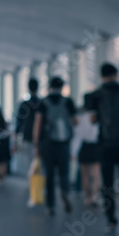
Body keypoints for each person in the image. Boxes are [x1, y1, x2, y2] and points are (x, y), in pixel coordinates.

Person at [87, 62, 119, 230]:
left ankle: (110, 219)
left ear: (101, 76)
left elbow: (93, 120)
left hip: (105, 145)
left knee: (108, 182)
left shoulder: (96, 95)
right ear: (116, 74)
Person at [32, 76, 76, 216]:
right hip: (64, 143)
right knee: (64, 172)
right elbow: (75, 121)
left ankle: (50, 206)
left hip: (47, 144)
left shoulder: (43, 102)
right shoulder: (68, 102)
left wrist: (36, 144)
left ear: (49, 86)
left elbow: (37, 124)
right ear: (62, 87)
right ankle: (65, 191)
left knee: (49, 175)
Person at [73, 93, 101, 207]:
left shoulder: (80, 116)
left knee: (85, 175)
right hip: (96, 146)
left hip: (84, 146)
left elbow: (78, 135)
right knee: (96, 174)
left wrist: (73, 151)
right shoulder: (98, 115)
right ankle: (95, 197)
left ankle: (87, 197)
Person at [15, 77, 40, 202]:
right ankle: (40, 184)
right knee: (39, 162)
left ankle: (32, 184)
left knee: (29, 161)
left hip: (27, 136)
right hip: (41, 138)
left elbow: (19, 122)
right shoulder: (42, 103)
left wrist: (16, 136)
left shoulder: (24, 104)